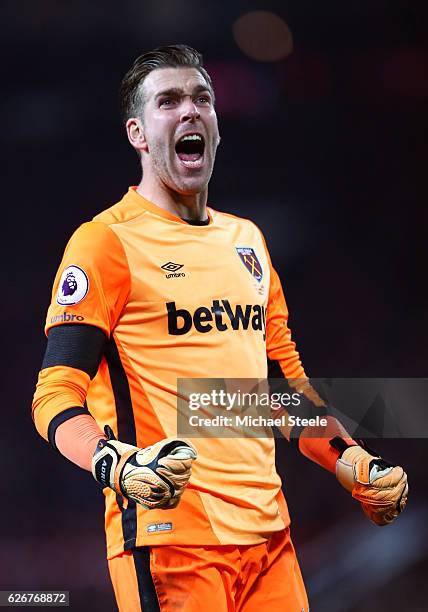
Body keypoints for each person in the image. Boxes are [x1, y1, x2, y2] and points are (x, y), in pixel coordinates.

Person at [32, 45, 408, 612]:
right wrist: (115, 461)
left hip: (269, 540)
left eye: (201, 98)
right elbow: (54, 396)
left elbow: (279, 393)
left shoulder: (248, 241)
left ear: (215, 124)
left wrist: (350, 459)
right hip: (171, 544)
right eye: (169, 101)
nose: (190, 111)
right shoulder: (105, 242)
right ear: (137, 132)